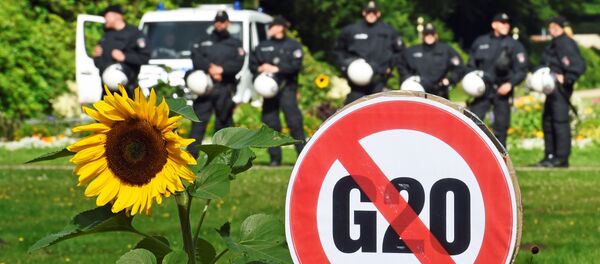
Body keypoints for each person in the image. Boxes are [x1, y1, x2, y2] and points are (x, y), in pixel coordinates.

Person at [187, 10, 245, 158]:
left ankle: (224, 157)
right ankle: (191, 157)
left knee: (224, 123)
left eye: (222, 21)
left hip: (225, 88)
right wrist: (210, 68)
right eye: (217, 21)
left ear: (227, 23)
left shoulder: (235, 44)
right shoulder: (202, 40)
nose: (219, 24)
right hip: (205, 89)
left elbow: (238, 63)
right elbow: (195, 58)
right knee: (198, 123)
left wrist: (223, 70)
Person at [250, 17, 306, 166]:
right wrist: (260, 69)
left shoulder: (293, 45)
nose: (270, 29)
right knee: (271, 123)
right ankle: (275, 158)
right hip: (268, 92)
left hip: (287, 88)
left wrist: (278, 69)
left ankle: (303, 156)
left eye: (273, 26)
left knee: (294, 122)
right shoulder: (262, 46)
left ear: (281, 27)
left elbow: (296, 66)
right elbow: (253, 65)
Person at [467, 13, 528, 147]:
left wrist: (510, 84)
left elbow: (522, 70)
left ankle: (500, 161)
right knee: (474, 123)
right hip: (482, 91)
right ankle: (473, 155)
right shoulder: (481, 42)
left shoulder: (514, 45)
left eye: (507, 23)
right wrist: (472, 83)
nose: (506, 25)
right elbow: (470, 66)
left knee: (501, 127)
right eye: (502, 22)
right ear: (494, 25)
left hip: (502, 90)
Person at [536, 17, 585, 168]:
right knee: (548, 121)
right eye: (551, 26)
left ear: (562, 28)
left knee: (559, 122)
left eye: (556, 26)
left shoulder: (566, 43)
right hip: (551, 89)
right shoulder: (554, 44)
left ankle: (561, 158)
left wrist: (567, 77)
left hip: (560, 90)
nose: (553, 29)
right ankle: (550, 156)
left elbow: (579, 65)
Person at [334, 1, 404, 105]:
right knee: (353, 111)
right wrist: (345, 67)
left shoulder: (388, 31)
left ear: (378, 13)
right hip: (356, 82)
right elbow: (338, 51)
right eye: (368, 12)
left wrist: (390, 66)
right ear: (363, 13)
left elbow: (400, 52)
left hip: (379, 80)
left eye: (374, 12)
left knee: (380, 112)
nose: (371, 14)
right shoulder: (351, 30)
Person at [93, 5, 151, 96]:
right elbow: (98, 63)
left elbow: (145, 57)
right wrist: (96, 57)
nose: (104, 19)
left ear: (117, 16)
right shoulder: (106, 36)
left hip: (129, 91)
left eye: (106, 16)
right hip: (108, 92)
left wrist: (124, 57)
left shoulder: (135, 33)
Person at [398, 23, 465, 99]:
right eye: (426, 34)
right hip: (418, 92)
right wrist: (408, 78)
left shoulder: (445, 50)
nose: (429, 36)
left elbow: (459, 67)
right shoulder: (413, 50)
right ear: (423, 35)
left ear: (436, 35)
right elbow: (401, 64)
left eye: (432, 34)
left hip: (439, 93)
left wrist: (450, 79)